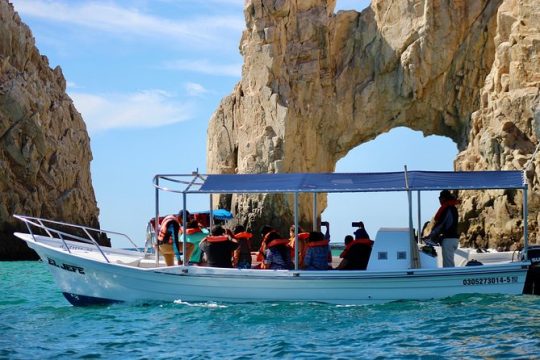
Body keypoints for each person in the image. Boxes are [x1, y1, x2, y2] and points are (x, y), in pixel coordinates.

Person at [425, 189, 460, 267]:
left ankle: (450, 278)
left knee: (448, 265)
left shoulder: (448, 209)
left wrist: (431, 235)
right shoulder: (453, 208)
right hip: (454, 239)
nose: (439, 200)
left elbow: (441, 224)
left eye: (440, 198)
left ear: (444, 198)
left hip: (449, 240)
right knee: (449, 262)